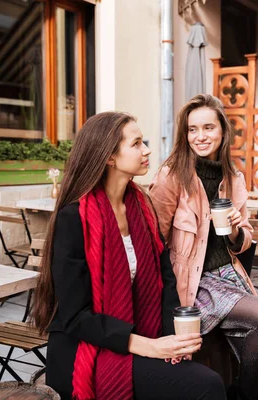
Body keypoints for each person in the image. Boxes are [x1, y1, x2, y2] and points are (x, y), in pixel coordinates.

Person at [32, 112, 226, 400]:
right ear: (110, 157)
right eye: (136, 144)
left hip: (137, 335)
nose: (147, 150)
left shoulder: (141, 207)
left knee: (201, 371)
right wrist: (149, 347)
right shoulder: (73, 219)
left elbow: (166, 280)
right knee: (206, 385)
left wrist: (170, 337)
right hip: (85, 350)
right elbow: (75, 317)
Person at [149, 94, 258, 400]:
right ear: (185, 135)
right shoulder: (172, 176)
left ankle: (244, 393)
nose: (200, 136)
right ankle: (241, 394)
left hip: (231, 277)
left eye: (208, 127)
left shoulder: (233, 178)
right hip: (195, 284)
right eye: (192, 129)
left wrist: (237, 230)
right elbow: (153, 239)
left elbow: (246, 239)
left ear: (222, 131)